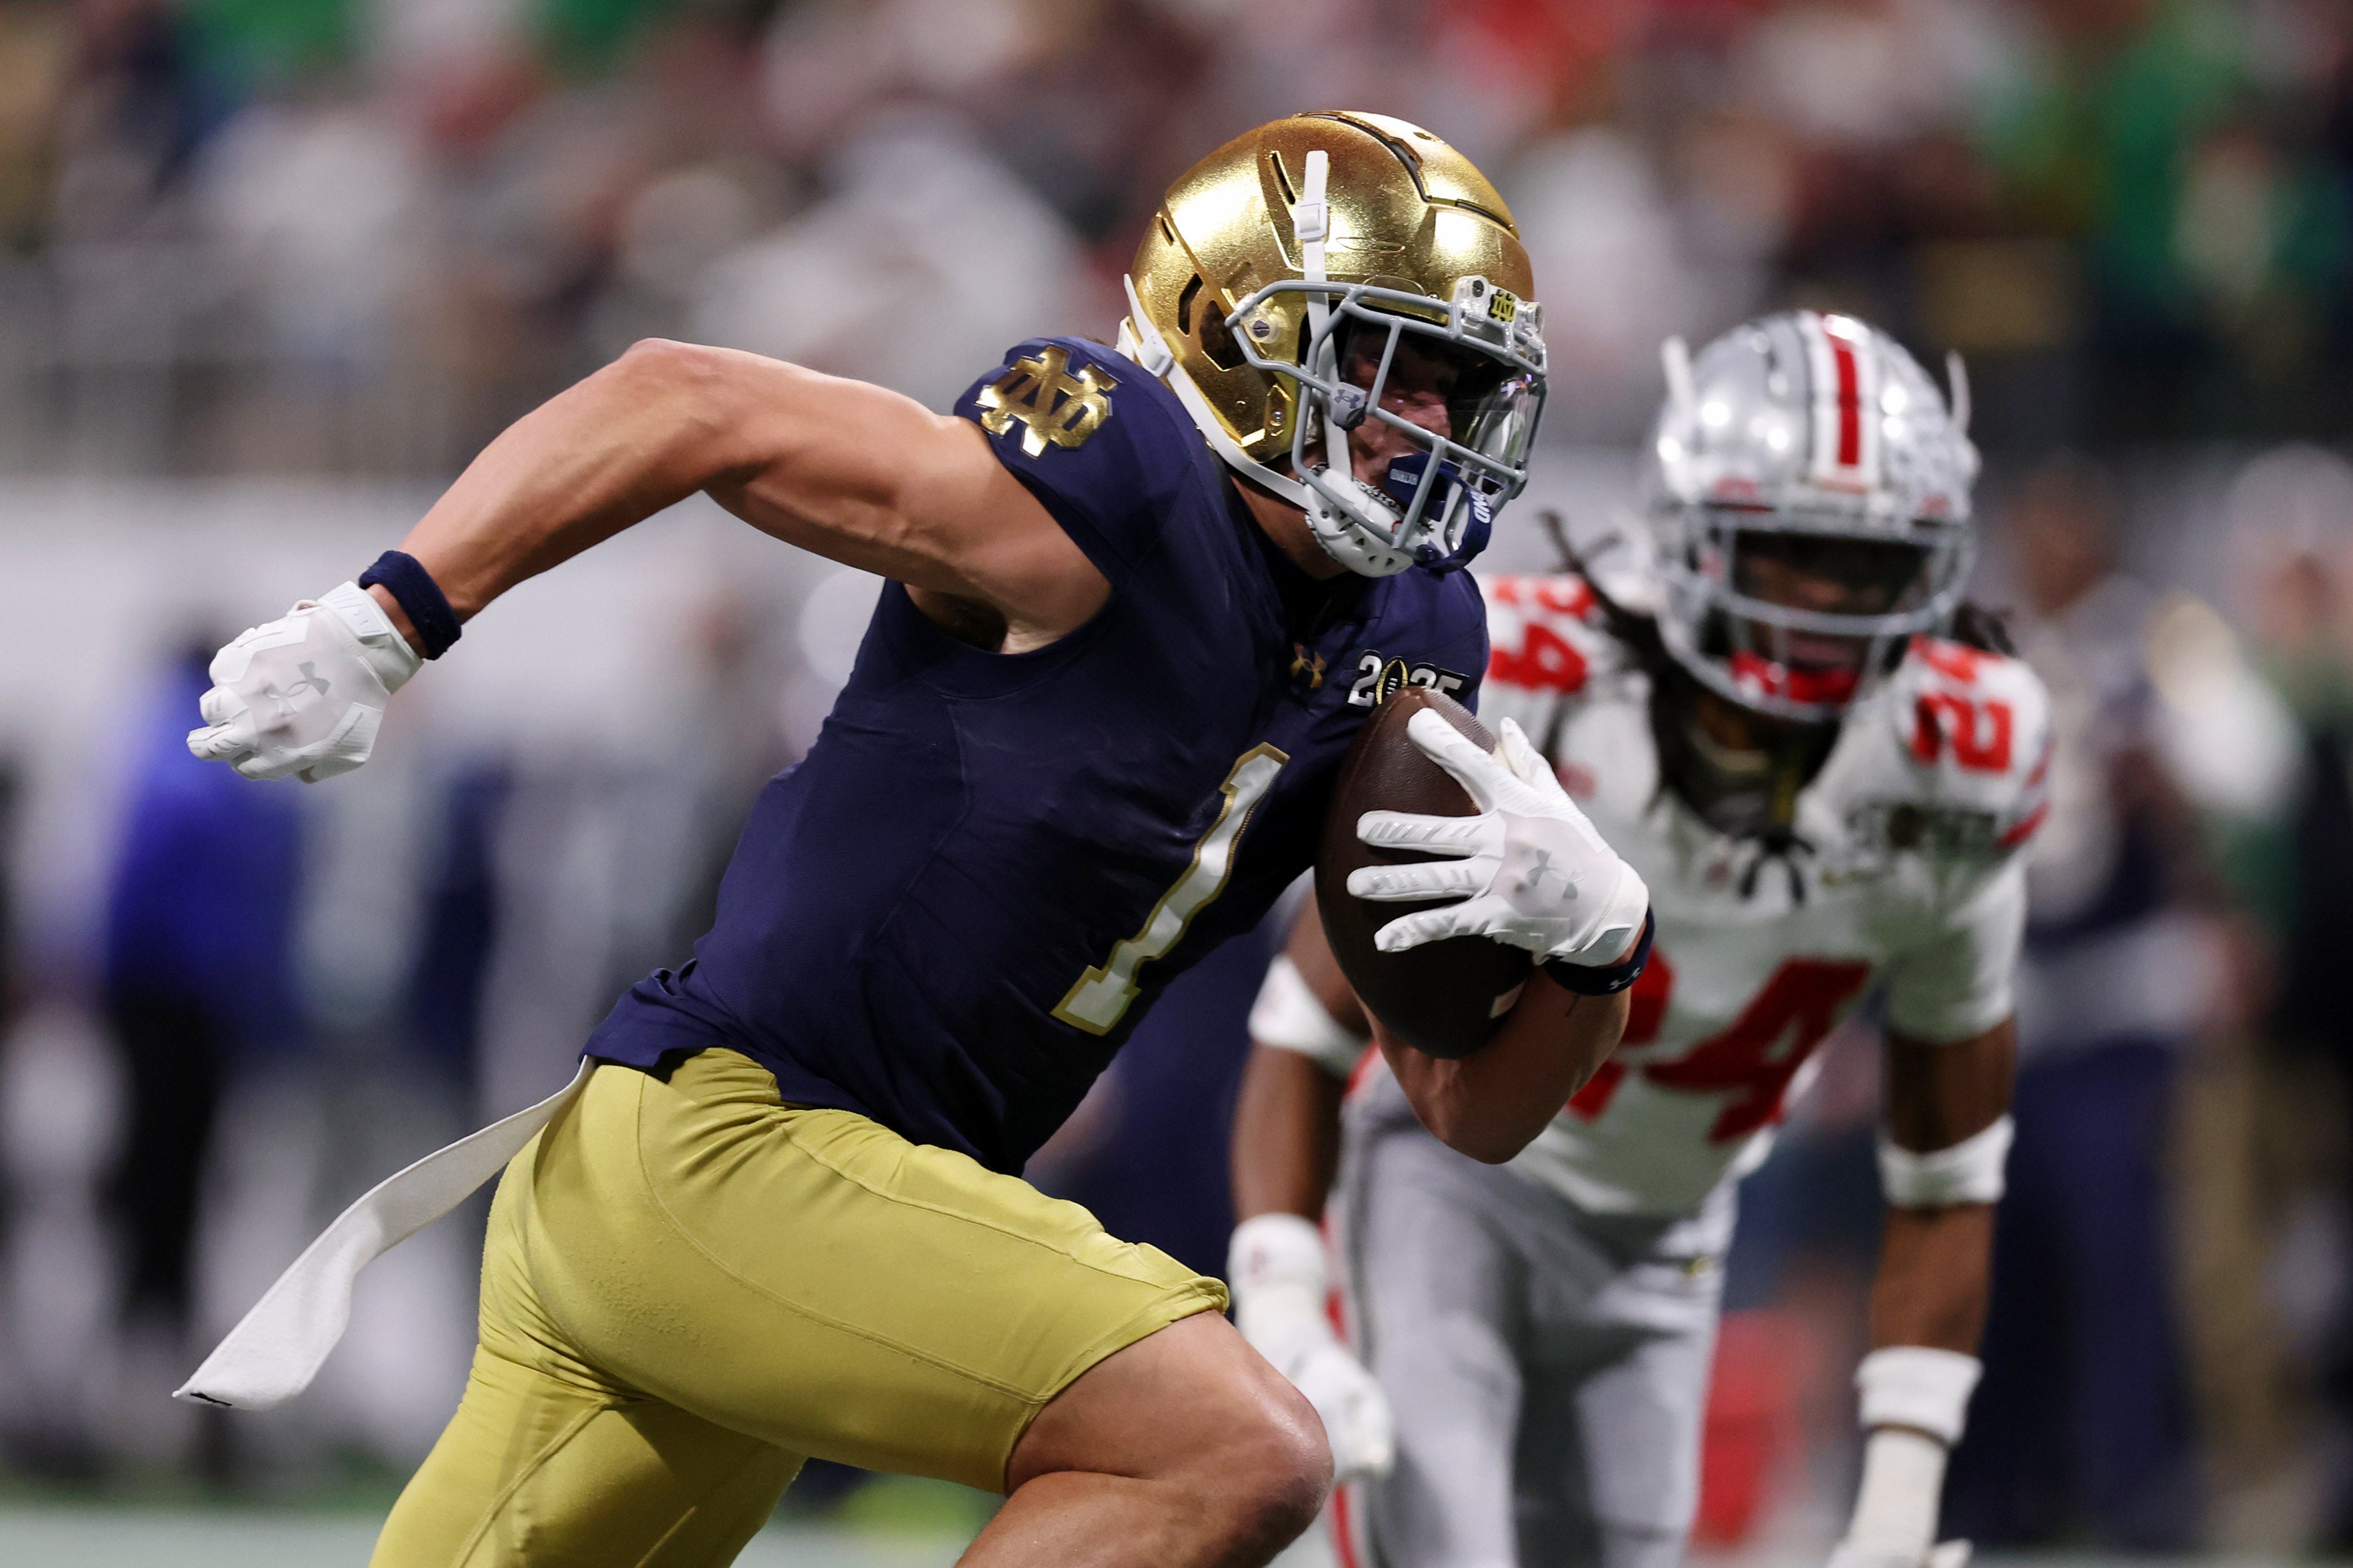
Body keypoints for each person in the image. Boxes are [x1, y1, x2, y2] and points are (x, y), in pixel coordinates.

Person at [179, 113, 1651, 1568]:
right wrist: (392, 613)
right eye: (1397, 372)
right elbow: (683, 396)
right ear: (1228, 335)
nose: (1437, 429)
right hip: (731, 1150)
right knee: (1229, 1443)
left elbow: (1471, 1109)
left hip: (775, 1218)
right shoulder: (1114, 486)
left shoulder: (1412, 638)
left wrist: (1597, 948)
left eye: (1466, 389)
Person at [1226, 311, 2050, 1568]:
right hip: (1455, 1185)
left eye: (1866, 565)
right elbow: (1306, 1014)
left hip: (1672, 1224)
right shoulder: (1536, 673)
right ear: (1695, 535)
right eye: (1787, 555)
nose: (1825, 607)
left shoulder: (1963, 758)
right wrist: (1285, 1297)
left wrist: (1897, 1495)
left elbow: (1947, 1164)